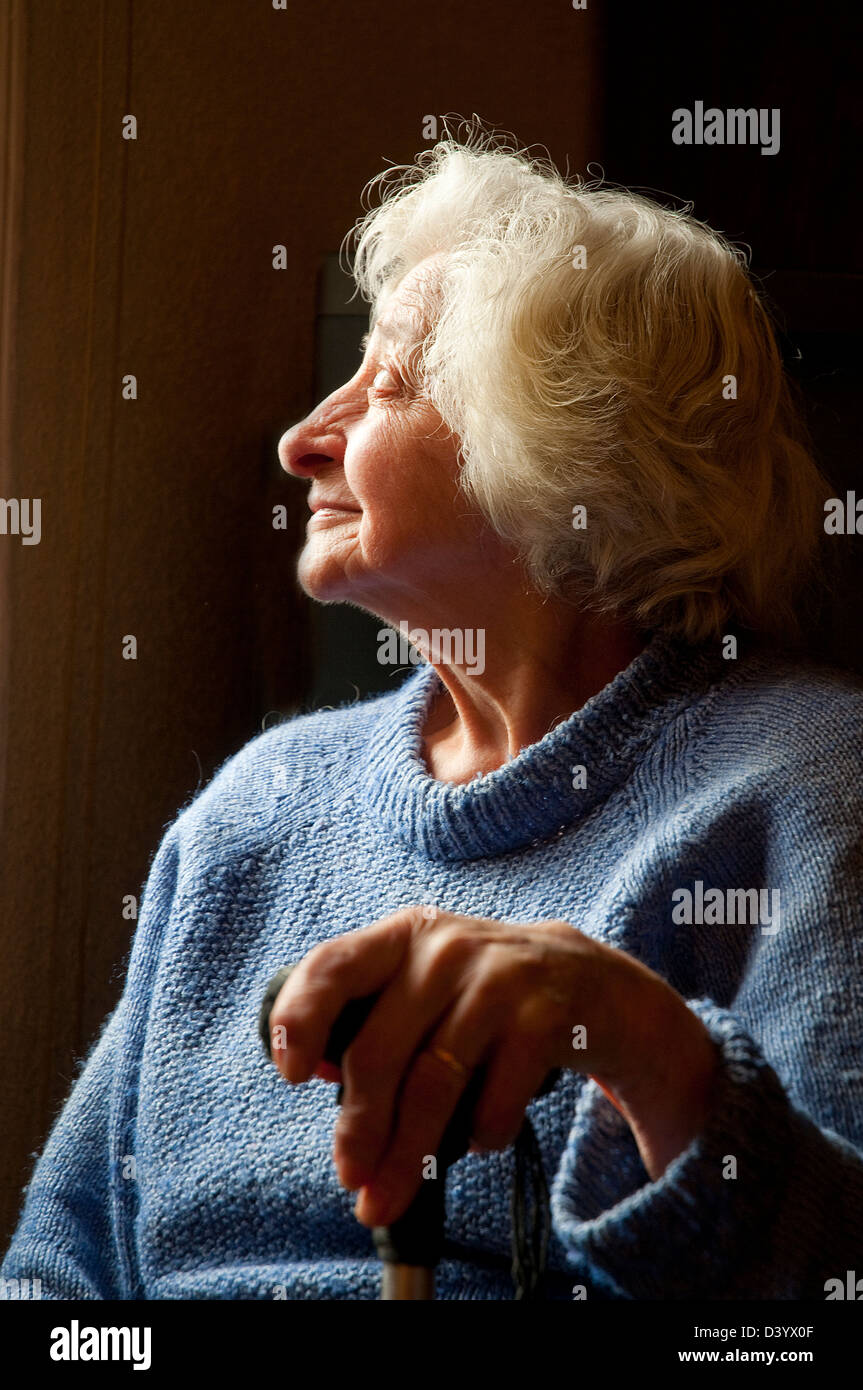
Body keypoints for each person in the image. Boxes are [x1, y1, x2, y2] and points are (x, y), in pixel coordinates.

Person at [3, 126, 862, 1301]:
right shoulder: (259, 802)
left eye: (389, 385)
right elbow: (60, 1275)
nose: (300, 441)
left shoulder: (806, 778)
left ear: (570, 447)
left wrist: (645, 1046)